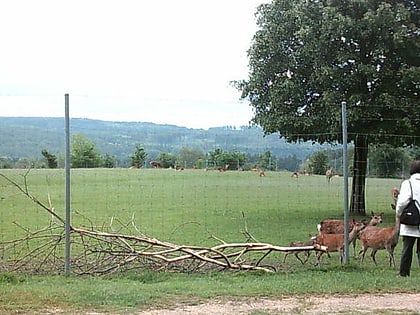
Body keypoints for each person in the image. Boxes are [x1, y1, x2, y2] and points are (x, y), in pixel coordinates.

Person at [396, 160, 420, 277]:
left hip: (411, 220)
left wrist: (399, 213)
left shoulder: (407, 183)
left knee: (407, 248)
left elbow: (403, 201)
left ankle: (404, 273)